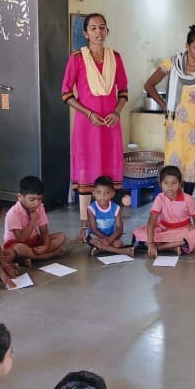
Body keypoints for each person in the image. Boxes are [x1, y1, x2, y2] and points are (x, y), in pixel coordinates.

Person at [61, 13, 128, 242]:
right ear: (85, 33)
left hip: (110, 124)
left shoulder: (115, 57)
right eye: (93, 28)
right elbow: (66, 93)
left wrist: (116, 112)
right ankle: (84, 226)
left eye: (102, 27)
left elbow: (123, 91)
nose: (98, 32)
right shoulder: (77, 58)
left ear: (107, 31)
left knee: (109, 170)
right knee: (86, 171)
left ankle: (112, 224)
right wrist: (88, 113)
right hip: (87, 125)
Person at [143, 24, 195, 194]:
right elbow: (149, 85)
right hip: (176, 125)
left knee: (192, 166)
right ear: (187, 46)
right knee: (174, 167)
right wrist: (164, 107)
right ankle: (172, 203)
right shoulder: (172, 63)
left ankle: (186, 201)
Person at [133, 164, 195, 257]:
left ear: (180, 184)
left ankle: (160, 247)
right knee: (138, 234)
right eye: (166, 183)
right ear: (160, 184)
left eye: (174, 183)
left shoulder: (188, 199)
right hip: (163, 230)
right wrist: (151, 242)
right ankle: (173, 247)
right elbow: (152, 221)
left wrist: (194, 227)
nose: (170, 187)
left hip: (182, 232)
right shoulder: (160, 198)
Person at [3, 175, 66, 263]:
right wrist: (33, 221)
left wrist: (45, 246)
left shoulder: (40, 207)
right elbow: (21, 239)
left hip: (34, 241)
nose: (36, 203)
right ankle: (49, 255)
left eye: (40, 199)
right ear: (20, 197)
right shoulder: (13, 213)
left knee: (61, 236)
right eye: (32, 199)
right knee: (19, 248)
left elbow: (44, 231)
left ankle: (29, 257)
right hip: (16, 243)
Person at [87, 175, 134, 257]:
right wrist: (107, 239)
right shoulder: (91, 209)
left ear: (112, 194)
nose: (102, 196)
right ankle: (120, 251)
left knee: (127, 238)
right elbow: (94, 229)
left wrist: (110, 240)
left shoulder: (116, 208)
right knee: (93, 240)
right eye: (99, 192)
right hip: (97, 236)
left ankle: (100, 250)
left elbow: (119, 229)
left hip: (112, 235)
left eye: (107, 193)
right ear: (93, 193)